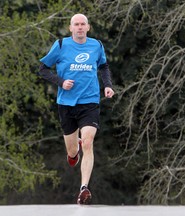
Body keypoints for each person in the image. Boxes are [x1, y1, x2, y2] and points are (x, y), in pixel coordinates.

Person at [38, 13, 114, 205]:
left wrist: (107, 85)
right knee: (73, 153)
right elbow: (43, 69)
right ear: (70, 28)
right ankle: (74, 151)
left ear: (88, 27)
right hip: (66, 104)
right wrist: (61, 82)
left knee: (88, 142)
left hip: (89, 102)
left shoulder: (96, 45)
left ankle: (84, 188)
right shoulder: (61, 45)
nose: (80, 27)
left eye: (83, 24)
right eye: (76, 24)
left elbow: (103, 66)